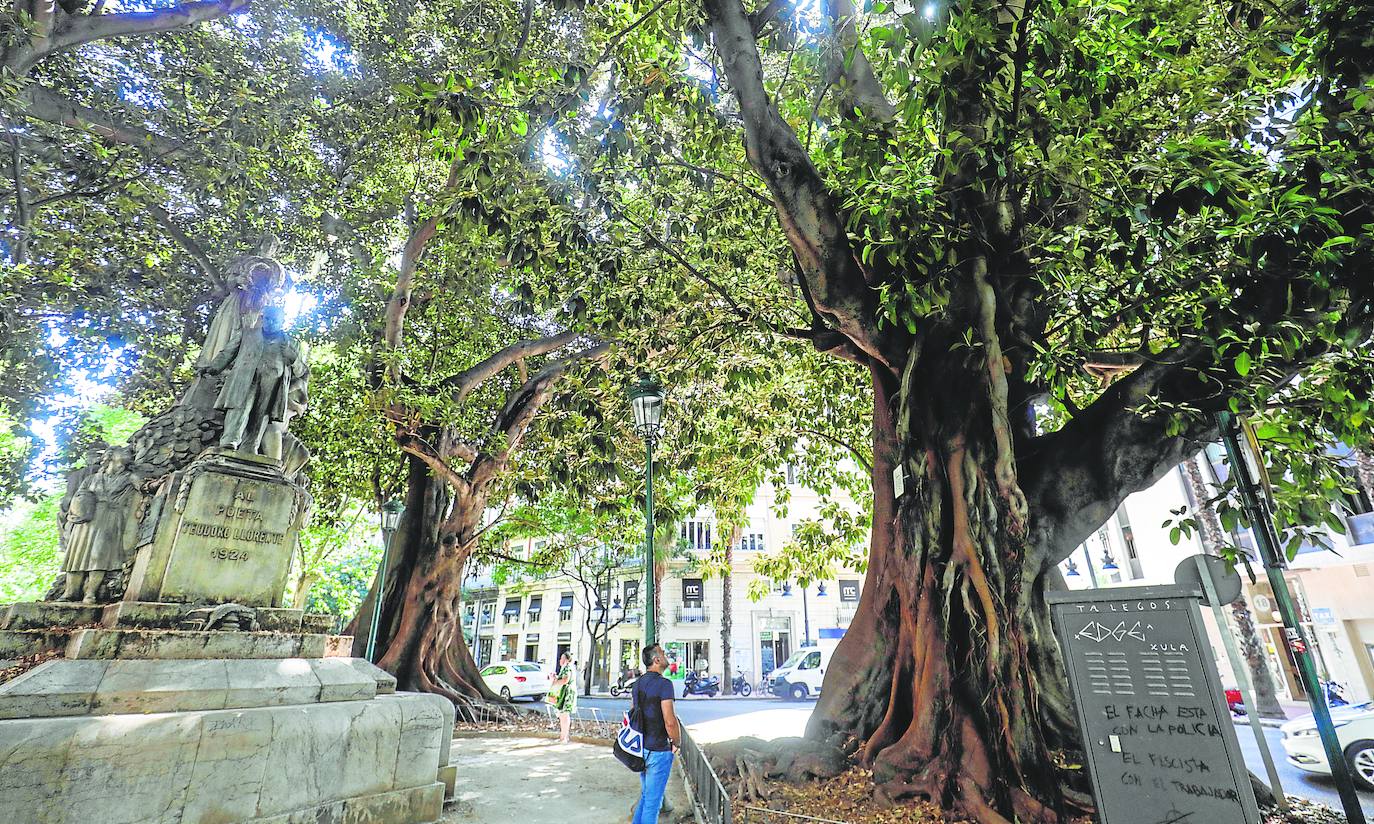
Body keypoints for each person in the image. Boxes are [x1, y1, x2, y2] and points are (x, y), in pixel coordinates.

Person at [631, 643, 680, 824]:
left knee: (646, 797)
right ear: (656, 660)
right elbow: (670, 720)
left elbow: (633, 714)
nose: (666, 655)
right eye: (662, 653)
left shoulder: (637, 684)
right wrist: (677, 742)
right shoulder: (664, 684)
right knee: (653, 804)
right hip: (659, 750)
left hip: (641, 749)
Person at [550, 652, 577, 743]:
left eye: (561, 658)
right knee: (563, 715)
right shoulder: (567, 668)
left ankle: (564, 737)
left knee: (564, 715)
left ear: (566, 659)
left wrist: (555, 682)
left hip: (567, 694)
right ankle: (563, 737)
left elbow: (565, 680)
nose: (560, 660)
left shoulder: (567, 668)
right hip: (565, 693)